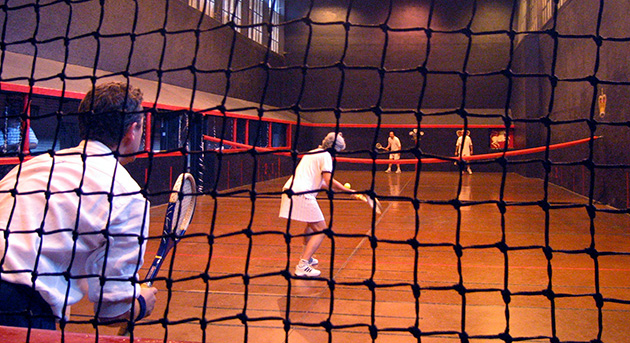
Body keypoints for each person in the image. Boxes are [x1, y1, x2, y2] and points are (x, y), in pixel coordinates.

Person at [0, 82, 158, 330]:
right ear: (133, 129)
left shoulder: (30, 167)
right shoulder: (127, 195)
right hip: (16, 306)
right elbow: (110, 311)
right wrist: (140, 303)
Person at [279, 132, 353, 277]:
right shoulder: (326, 156)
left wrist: (344, 191)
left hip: (290, 190)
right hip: (302, 193)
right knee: (321, 230)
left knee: (311, 226)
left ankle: (307, 257)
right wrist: (349, 191)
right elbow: (328, 180)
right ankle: (302, 265)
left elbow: (323, 183)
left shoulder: (312, 153)